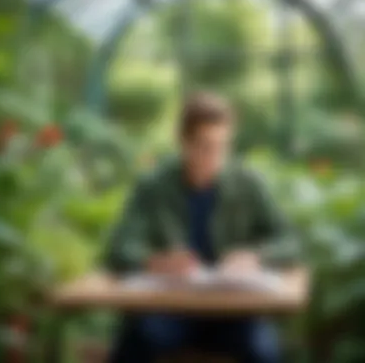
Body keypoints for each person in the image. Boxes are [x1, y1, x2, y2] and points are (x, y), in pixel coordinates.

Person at [105, 92, 299, 363]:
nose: (214, 156)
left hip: (234, 314)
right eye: (205, 146)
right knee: (135, 343)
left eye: (222, 146)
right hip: (171, 311)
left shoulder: (248, 183)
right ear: (183, 143)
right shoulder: (154, 186)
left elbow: (288, 240)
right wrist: (154, 261)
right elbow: (119, 247)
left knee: (263, 351)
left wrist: (256, 256)